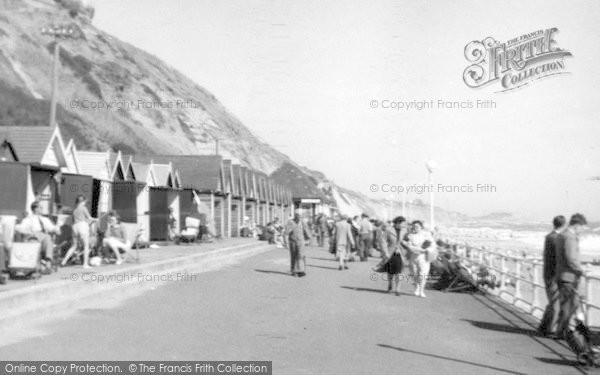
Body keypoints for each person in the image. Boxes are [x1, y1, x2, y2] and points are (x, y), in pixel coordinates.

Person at [555, 213, 588, 338]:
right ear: (577, 225)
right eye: (582, 227)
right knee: (570, 304)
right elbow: (571, 258)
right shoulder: (570, 237)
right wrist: (581, 270)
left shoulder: (562, 235)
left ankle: (561, 331)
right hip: (568, 276)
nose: (582, 230)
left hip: (562, 274)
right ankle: (562, 333)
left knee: (568, 304)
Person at [537, 215, 566, 338]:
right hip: (554, 275)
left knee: (552, 302)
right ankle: (548, 330)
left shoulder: (550, 236)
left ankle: (543, 326)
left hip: (548, 273)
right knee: (555, 303)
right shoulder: (557, 238)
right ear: (564, 225)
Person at [15, 201, 60, 267]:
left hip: (43, 236)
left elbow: (51, 228)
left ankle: (48, 263)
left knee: (48, 238)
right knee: (36, 240)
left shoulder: (45, 219)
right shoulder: (29, 219)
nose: (42, 209)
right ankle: (37, 265)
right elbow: (20, 228)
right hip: (32, 236)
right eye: (40, 207)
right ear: (35, 209)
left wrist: (57, 228)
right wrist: (29, 232)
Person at [403, 220, 435, 298]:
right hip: (413, 256)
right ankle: (416, 288)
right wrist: (416, 249)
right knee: (414, 273)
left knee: (423, 274)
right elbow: (409, 245)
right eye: (414, 226)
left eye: (417, 226)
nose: (415, 228)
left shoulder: (426, 235)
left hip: (424, 257)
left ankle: (421, 290)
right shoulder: (410, 235)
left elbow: (432, 245)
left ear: (421, 227)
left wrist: (426, 250)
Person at [61, 195, 95, 268]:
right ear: (82, 201)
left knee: (74, 246)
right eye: (85, 202)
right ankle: (85, 264)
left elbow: (75, 221)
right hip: (82, 226)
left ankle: (64, 261)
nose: (85, 203)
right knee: (86, 246)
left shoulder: (74, 210)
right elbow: (89, 218)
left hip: (75, 227)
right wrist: (94, 219)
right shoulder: (83, 208)